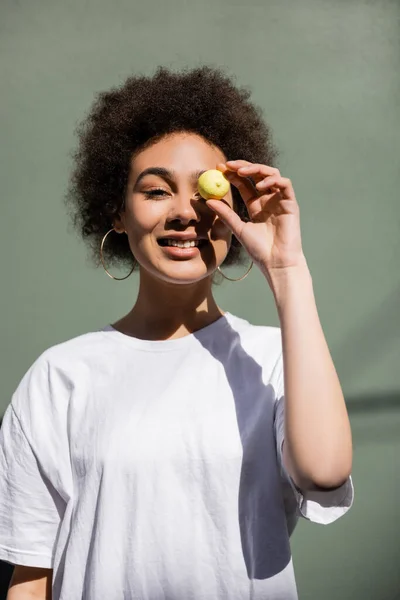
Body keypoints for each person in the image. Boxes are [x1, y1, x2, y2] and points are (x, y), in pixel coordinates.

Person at [0, 66, 353, 600]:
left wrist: (288, 271)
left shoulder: (275, 360)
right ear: (118, 211)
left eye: (206, 192)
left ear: (232, 208)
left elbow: (323, 473)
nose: (186, 212)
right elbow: (31, 581)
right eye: (157, 190)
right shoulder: (60, 376)